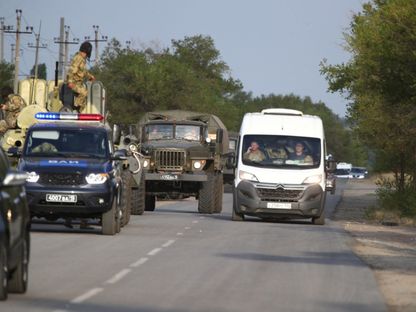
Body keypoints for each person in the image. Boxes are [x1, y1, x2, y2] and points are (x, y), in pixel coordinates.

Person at [67, 41, 95, 112]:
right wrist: (70, 82)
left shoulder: (82, 59)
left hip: (78, 83)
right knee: (84, 93)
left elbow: (83, 71)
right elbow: (72, 70)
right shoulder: (78, 58)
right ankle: (75, 108)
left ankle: (80, 111)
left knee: (85, 101)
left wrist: (90, 76)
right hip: (74, 83)